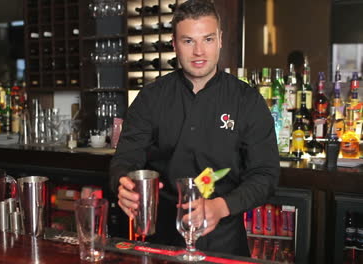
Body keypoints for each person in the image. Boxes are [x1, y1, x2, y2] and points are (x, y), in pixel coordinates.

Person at [109, 0, 280, 257]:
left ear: (220, 40)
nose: (199, 51)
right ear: (174, 44)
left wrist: (220, 207)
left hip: (225, 242)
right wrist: (121, 183)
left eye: (208, 39)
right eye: (188, 41)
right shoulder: (151, 97)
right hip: (161, 240)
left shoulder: (247, 101)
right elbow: (125, 159)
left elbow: (266, 175)